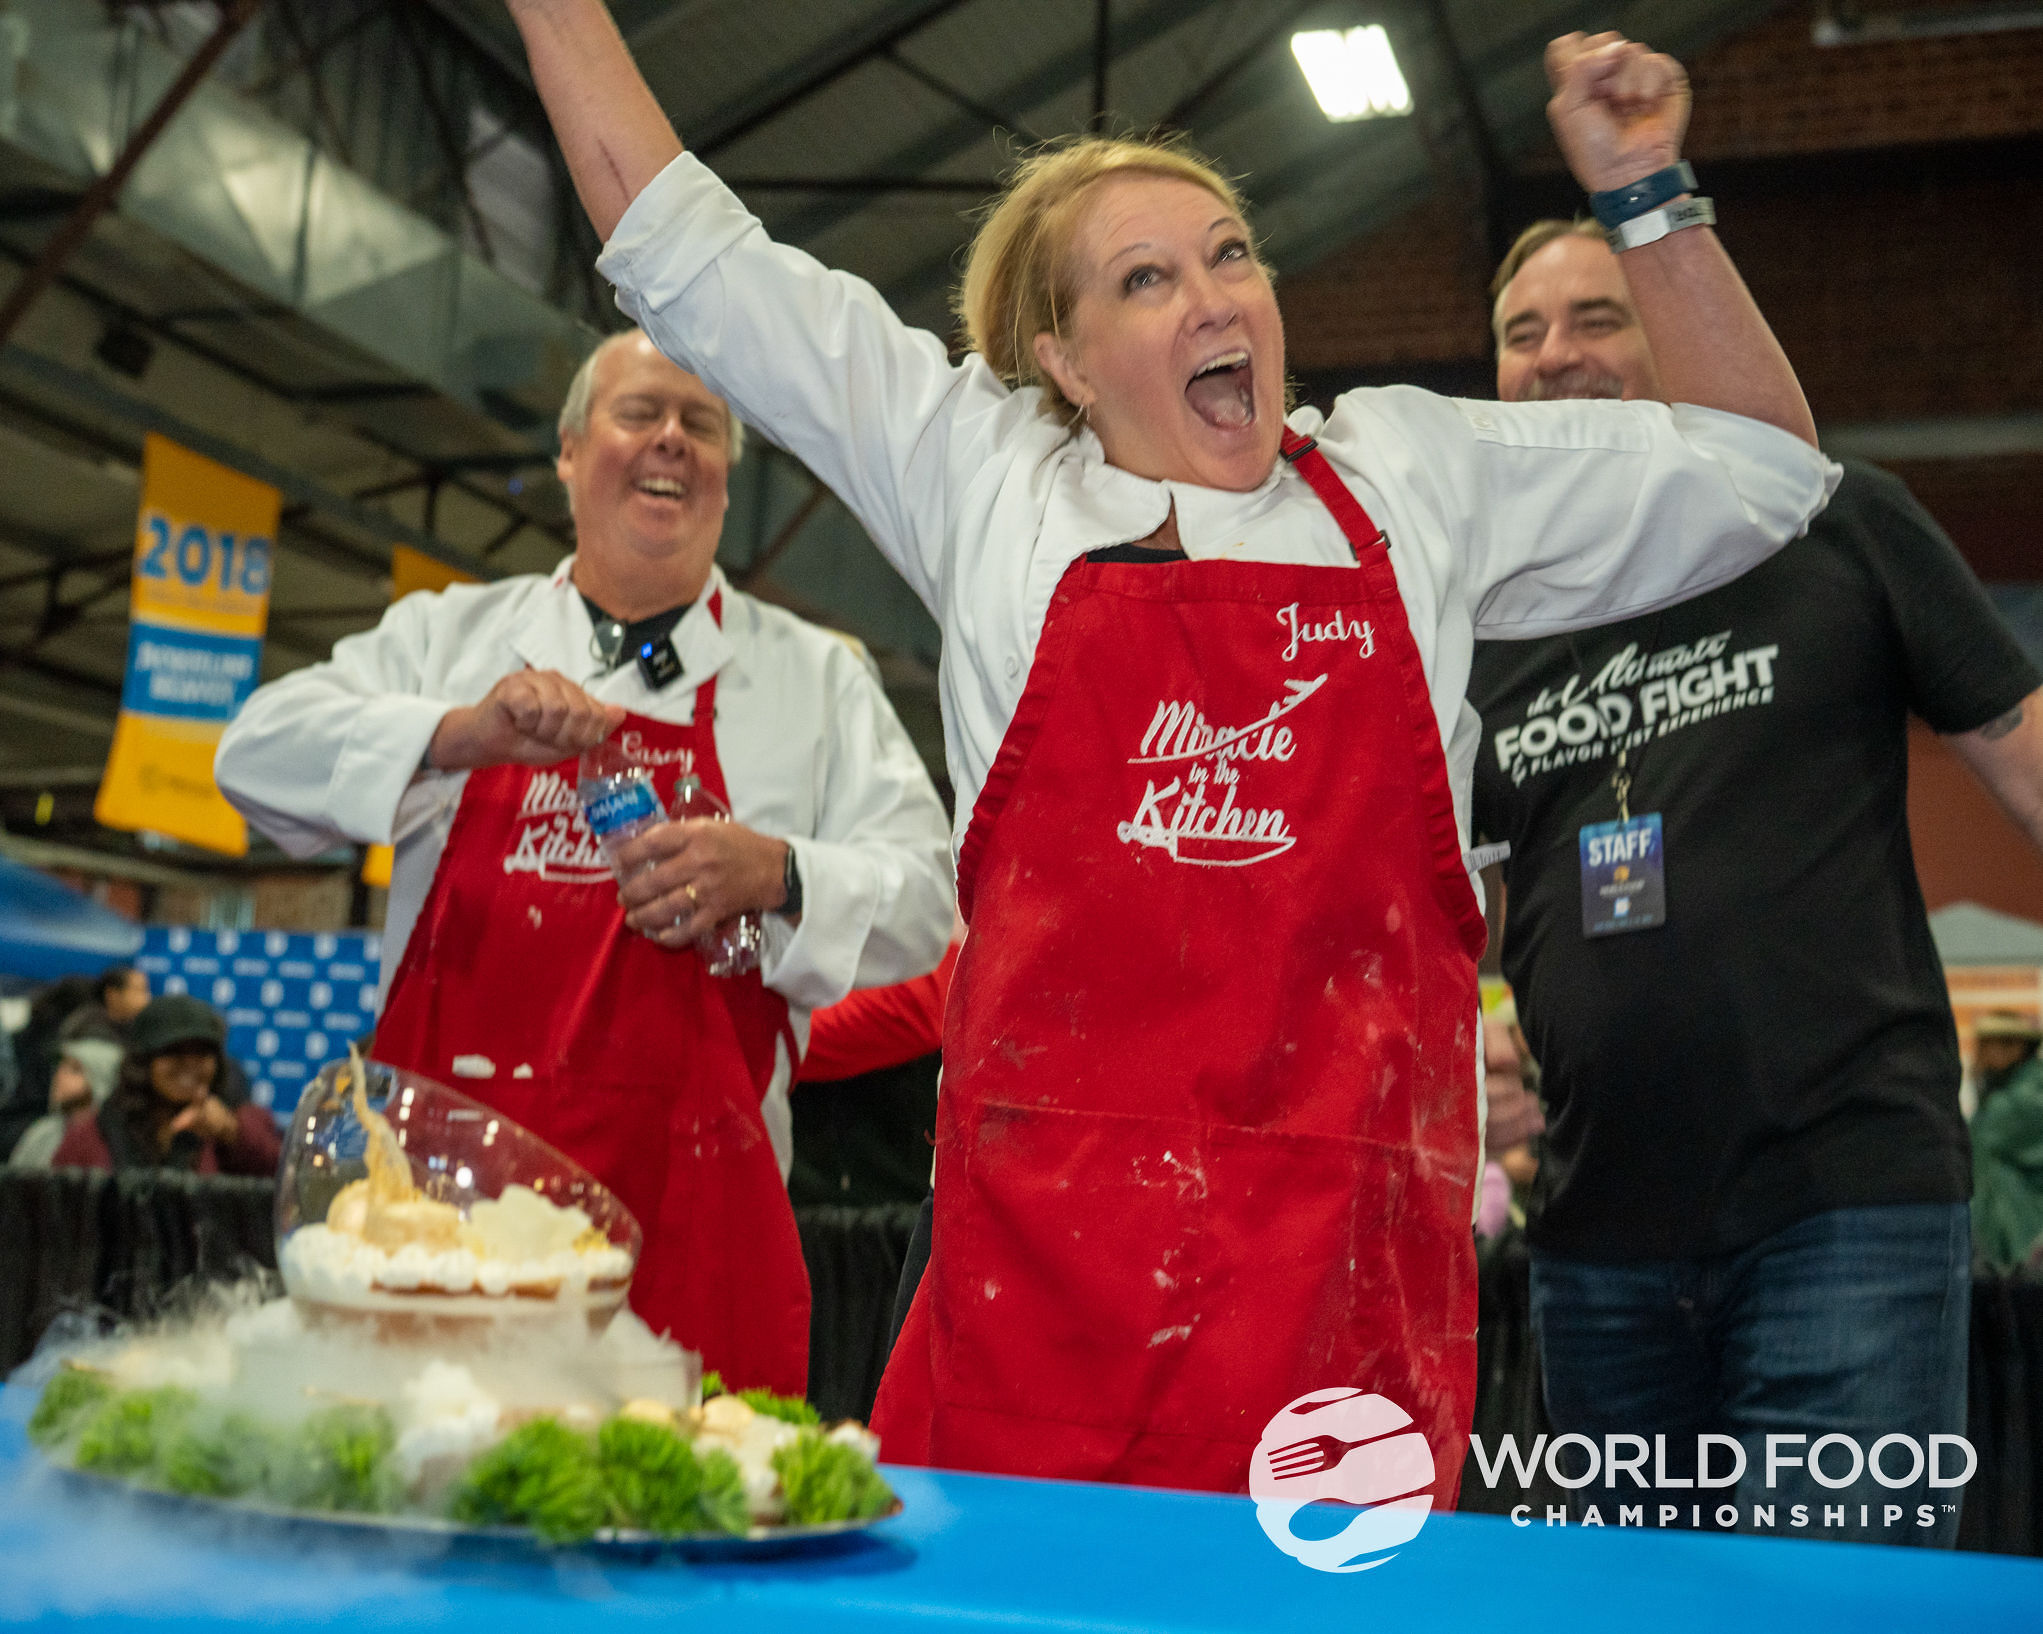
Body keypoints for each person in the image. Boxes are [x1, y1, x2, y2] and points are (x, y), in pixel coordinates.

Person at [502, 2, 1836, 1495]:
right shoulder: (977, 472)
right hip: (1037, 1302)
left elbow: (1763, 470)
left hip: (1344, 1308)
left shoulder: (1409, 474)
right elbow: (681, 244)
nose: (1215, 297)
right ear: (1061, 360)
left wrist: (1645, 191)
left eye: (1230, 255)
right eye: (1146, 278)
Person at [215, 330, 955, 1396]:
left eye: (702, 424)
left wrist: (778, 871)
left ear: (728, 475)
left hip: (698, 1248)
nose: (671, 440)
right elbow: (249, 755)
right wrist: (456, 733)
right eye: (638, 412)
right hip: (440, 1236)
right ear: (567, 452)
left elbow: (929, 902)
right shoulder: (450, 637)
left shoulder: (814, 682)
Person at [1469, 216, 2043, 1545]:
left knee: (1834, 1612)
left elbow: (2025, 767)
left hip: (1843, 1216)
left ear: (1669, 335)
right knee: (1627, 1619)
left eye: (1597, 317)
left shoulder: (1830, 521)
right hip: (1592, 1242)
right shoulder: (1480, 614)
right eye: (1520, 332)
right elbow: (1417, 904)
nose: (1556, 356)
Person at [53, 995, 279, 1176]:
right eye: (174, 1051)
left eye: (202, 1052)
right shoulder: (93, 1134)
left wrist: (231, 1132)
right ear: (142, 1062)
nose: (190, 1064)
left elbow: (287, 1181)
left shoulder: (243, 1123)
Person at [1971, 1012, 2043, 1272]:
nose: (1979, 1058)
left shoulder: (2024, 1101)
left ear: (2015, 1047)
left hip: (2026, 1244)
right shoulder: (2009, 1094)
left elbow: (1974, 1141)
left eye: (1986, 1047)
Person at [9, 1033, 122, 1169]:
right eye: (61, 1065)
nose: (60, 1075)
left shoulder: (115, 1141)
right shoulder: (43, 1133)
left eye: (75, 1069)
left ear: (102, 1081)